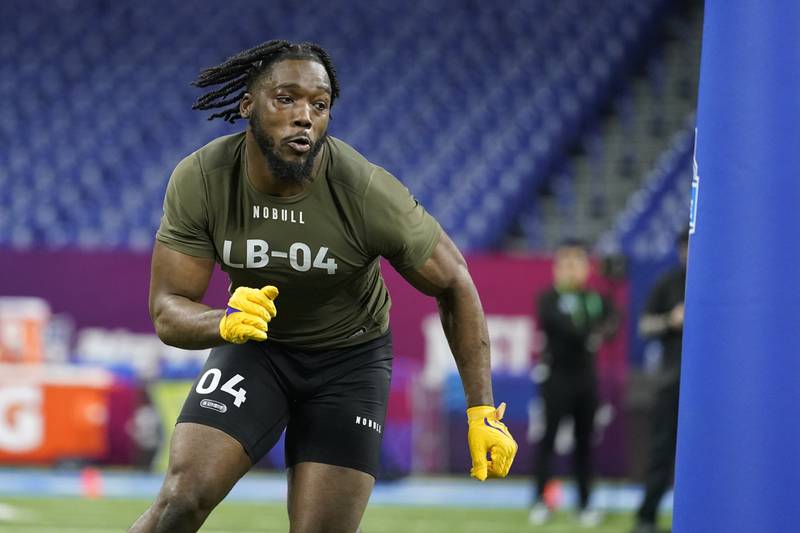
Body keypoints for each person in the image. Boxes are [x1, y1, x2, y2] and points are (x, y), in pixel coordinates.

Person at [128, 40, 517, 533]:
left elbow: (455, 282)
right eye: (286, 98)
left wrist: (481, 408)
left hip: (349, 363)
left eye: (319, 104)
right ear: (247, 104)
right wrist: (222, 322)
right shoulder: (202, 178)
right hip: (257, 349)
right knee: (181, 499)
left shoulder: (366, 191)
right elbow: (166, 310)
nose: (304, 116)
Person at [529, 240, 616, 528]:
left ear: (586, 267)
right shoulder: (549, 297)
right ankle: (542, 500)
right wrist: (592, 333)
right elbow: (561, 326)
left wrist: (599, 329)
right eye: (565, 264)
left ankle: (585, 503)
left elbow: (613, 322)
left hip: (585, 378)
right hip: (556, 377)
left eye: (576, 264)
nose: (570, 270)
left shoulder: (594, 298)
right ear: (556, 268)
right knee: (548, 440)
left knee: (584, 442)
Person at [630, 229, 688, 533]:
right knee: (661, 450)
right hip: (671, 380)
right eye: (684, 248)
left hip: (708, 389)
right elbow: (645, 325)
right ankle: (646, 516)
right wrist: (671, 320)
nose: (688, 253)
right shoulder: (668, 282)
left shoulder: (718, 280)